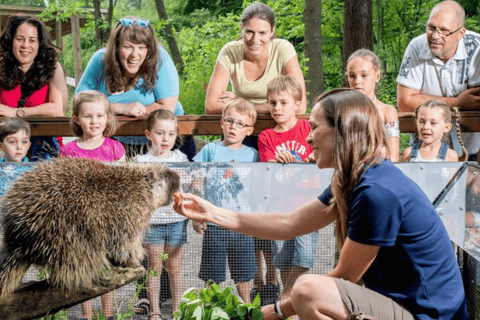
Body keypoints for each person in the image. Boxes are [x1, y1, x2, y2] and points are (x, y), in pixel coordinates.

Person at [175, 88, 469, 320]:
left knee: (308, 289)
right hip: (401, 307)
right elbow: (289, 224)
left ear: (342, 131)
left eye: (314, 127)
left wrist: (273, 312)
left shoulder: (377, 193)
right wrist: (212, 212)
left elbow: (344, 278)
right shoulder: (353, 179)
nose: (307, 137)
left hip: (429, 315)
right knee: (308, 290)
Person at [76, 16, 192, 159]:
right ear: (116, 47)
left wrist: (102, 109)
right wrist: (121, 108)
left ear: (149, 49)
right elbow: (80, 102)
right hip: (117, 139)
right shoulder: (101, 60)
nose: (134, 55)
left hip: (166, 140)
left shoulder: (160, 58)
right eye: (128, 47)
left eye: (141, 47)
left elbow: (166, 108)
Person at [60, 90, 125, 320]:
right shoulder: (69, 151)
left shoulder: (115, 148)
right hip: (80, 219)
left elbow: (121, 187)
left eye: (99, 116)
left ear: (107, 117)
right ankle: (87, 315)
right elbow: (64, 187)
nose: (94, 121)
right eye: (88, 116)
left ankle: (108, 314)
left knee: (106, 268)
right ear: (76, 118)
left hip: (107, 218)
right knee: (85, 268)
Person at [256, 75, 317, 306]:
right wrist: (276, 160)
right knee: (282, 258)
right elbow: (267, 164)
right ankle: (289, 304)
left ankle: (287, 294)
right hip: (280, 205)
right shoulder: (267, 136)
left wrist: (315, 154)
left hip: (307, 203)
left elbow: (322, 148)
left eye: (283, 102)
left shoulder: (307, 127)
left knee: (304, 255)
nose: (277, 108)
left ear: (298, 104)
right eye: (272, 103)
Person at [193, 98, 258, 304]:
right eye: (229, 121)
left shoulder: (253, 155)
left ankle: (247, 306)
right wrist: (197, 215)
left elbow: (257, 186)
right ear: (221, 123)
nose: (233, 127)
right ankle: (209, 306)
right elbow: (197, 181)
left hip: (241, 223)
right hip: (214, 222)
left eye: (240, 124)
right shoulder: (210, 150)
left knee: (244, 271)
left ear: (249, 130)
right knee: (213, 271)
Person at [397, 1, 480, 160]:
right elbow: (404, 102)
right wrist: (457, 102)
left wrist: (421, 99)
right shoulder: (416, 47)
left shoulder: (477, 49)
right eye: (431, 28)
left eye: (443, 31)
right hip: (423, 151)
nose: (435, 36)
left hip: (469, 150)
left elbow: (477, 101)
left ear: (461, 33)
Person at [133, 109, 189, 320]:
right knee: (154, 268)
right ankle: (155, 310)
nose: (165, 139)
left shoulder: (182, 159)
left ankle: (178, 309)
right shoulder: (140, 161)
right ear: (148, 134)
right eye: (159, 133)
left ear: (176, 135)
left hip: (176, 220)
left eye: (171, 134)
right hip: (153, 222)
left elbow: (189, 188)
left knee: (174, 267)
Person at [205, 2, 307, 116]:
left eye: (262, 33)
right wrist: (266, 107)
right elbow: (211, 106)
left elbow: (300, 106)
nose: (255, 40)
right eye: (249, 32)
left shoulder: (283, 50)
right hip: (240, 123)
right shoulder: (230, 52)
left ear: (272, 31)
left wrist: (242, 104)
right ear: (241, 28)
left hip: (276, 124)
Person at [0, 14, 68, 161]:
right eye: (20, 39)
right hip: (7, 149)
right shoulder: (1, 67)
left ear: (39, 44)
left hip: (46, 148)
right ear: (11, 41)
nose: (25, 46)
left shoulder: (53, 68)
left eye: (32, 40)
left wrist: (15, 112)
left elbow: (57, 110)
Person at [347, 49, 400, 162]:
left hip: (381, 169)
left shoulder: (387, 111)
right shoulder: (343, 110)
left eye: (364, 75)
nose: (357, 81)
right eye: (352, 76)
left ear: (377, 76)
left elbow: (394, 155)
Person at [402, 100, 467, 162]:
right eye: (421, 122)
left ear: (447, 127)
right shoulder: (408, 153)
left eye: (433, 123)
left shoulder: (450, 155)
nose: (426, 127)